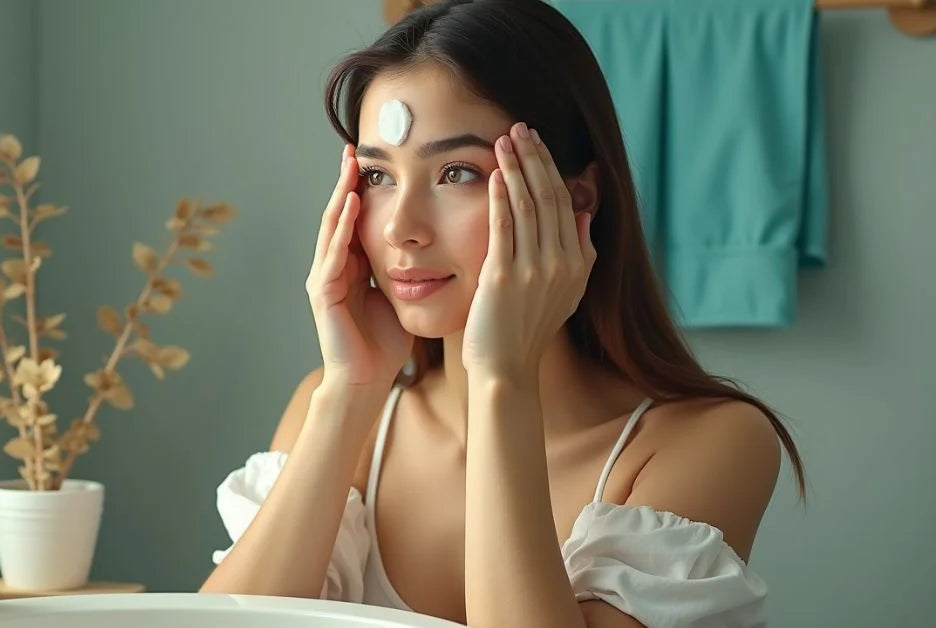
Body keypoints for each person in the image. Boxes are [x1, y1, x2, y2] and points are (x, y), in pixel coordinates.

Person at [201, 1, 804, 626]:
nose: (401, 229)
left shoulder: (708, 443)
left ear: (573, 198)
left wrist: (502, 379)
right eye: (378, 176)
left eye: (455, 172)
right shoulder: (326, 407)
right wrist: (349, 392)